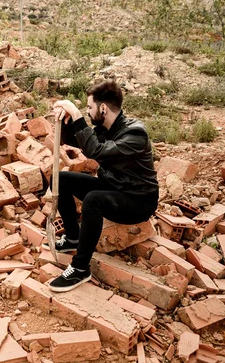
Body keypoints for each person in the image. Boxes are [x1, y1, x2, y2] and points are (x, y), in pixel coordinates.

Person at [46, 80, 159, 292]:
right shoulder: (106, 128)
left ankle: (80, 268)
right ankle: (72, 237)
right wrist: (67, 119)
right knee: (59, 179)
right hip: (113, 188)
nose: (88, 112)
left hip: (138, 201)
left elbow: (96, 151)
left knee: (93, 201)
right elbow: (82, 140)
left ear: (103, 108)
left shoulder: (135, 135)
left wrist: (78, 117)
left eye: (89, 108)